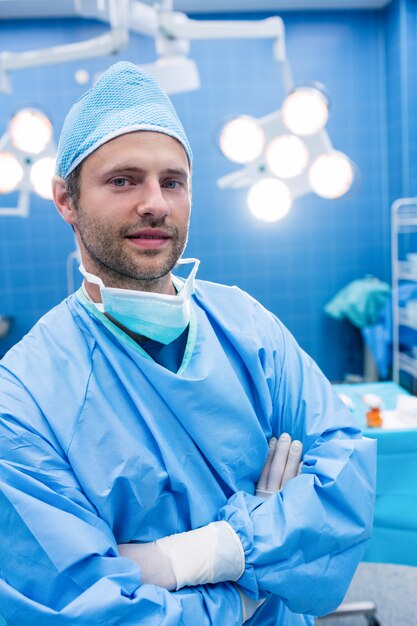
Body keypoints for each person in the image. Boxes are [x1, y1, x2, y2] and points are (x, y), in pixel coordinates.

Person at [0, 61, 376, 626]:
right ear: (65, 201)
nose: (155, 202)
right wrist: (253, 588)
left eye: (172, 181)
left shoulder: (248, 330)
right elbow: (83, 610)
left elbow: (345, 478)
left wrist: (195, 557)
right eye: (123, 180)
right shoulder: (24, 401)